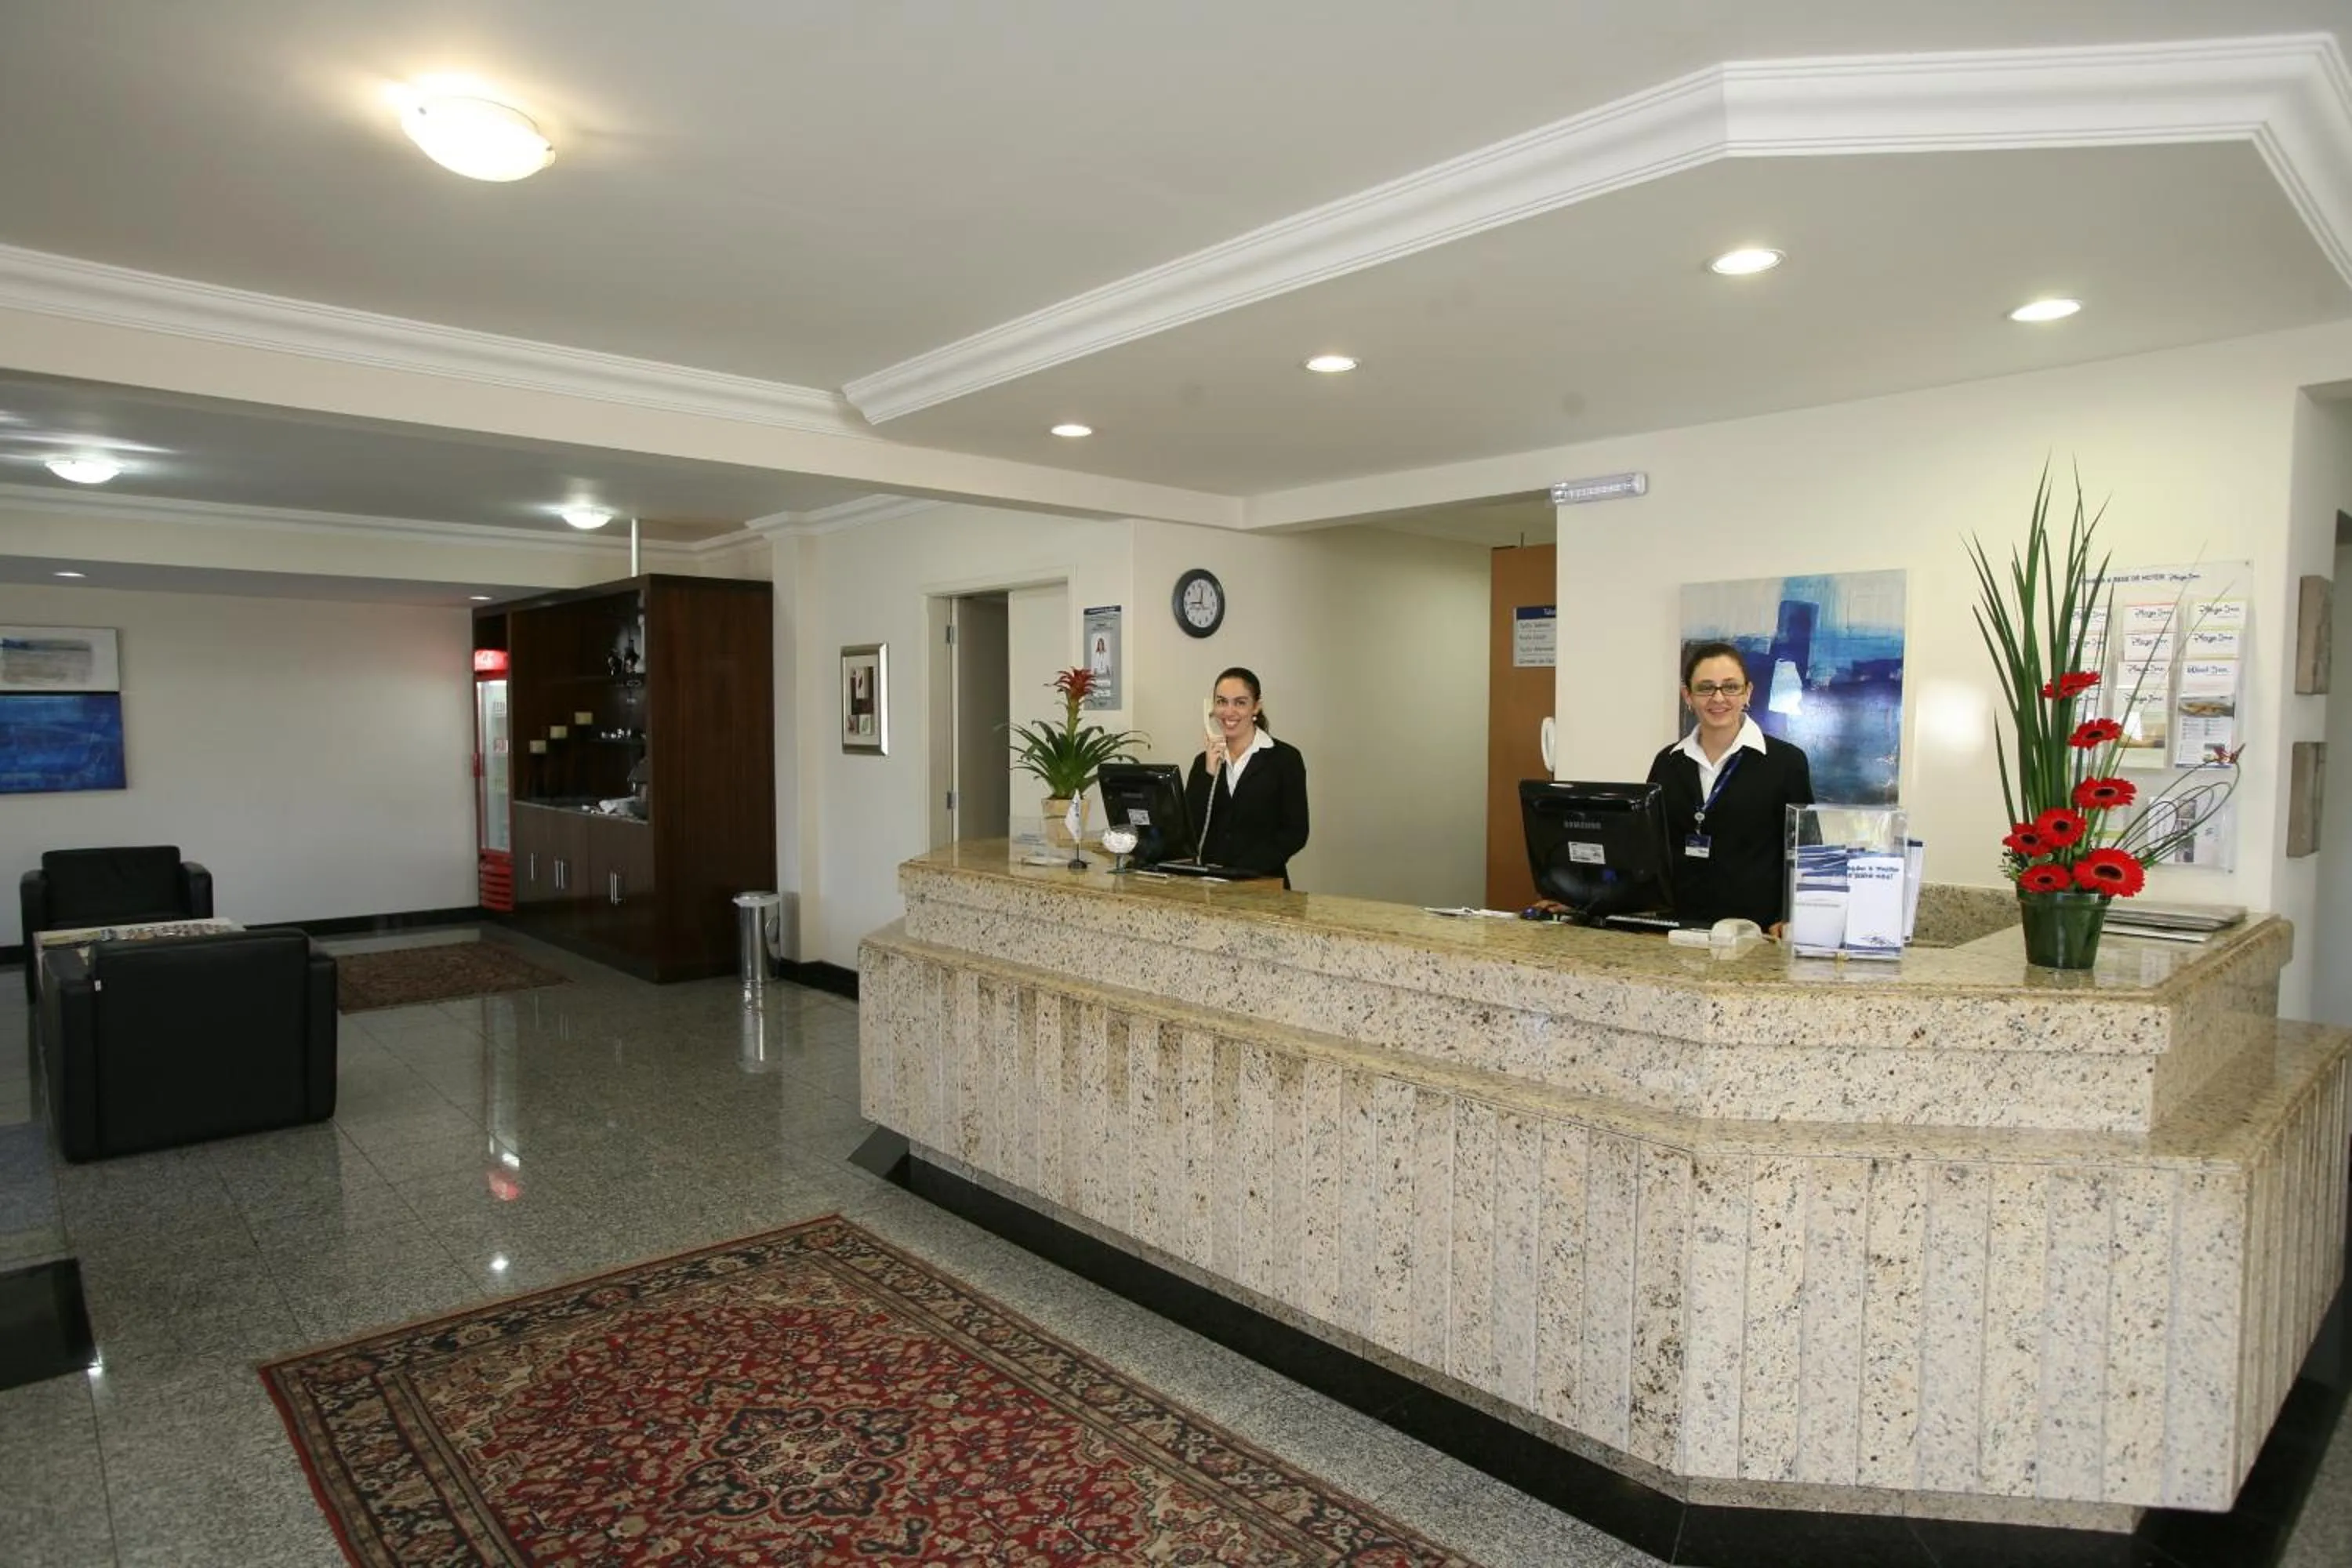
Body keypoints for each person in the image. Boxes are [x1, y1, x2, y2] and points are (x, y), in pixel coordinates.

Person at [1646, 641, 1813, 932]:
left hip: (1755, 933)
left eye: (1730, 687)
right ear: (1688, 695)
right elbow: (1649, 847)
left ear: (1747, 692)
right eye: (1706, 687)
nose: (1718, 698)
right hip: (1677, 928)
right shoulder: (1668, 762)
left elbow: (1804, 850)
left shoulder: (1787, 763)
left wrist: (1792, 918)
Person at [1183, 666, 1309, 884]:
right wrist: (1208, 774)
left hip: (1262, 883)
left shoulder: (1284, 759)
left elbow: (1295, 832)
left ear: (1256, 707)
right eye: (1222, 702)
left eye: (1240, 703)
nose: (1228, 712)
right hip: (1211, 886)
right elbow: (1190, 829)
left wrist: (1244, 869)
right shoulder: (1204, 762)